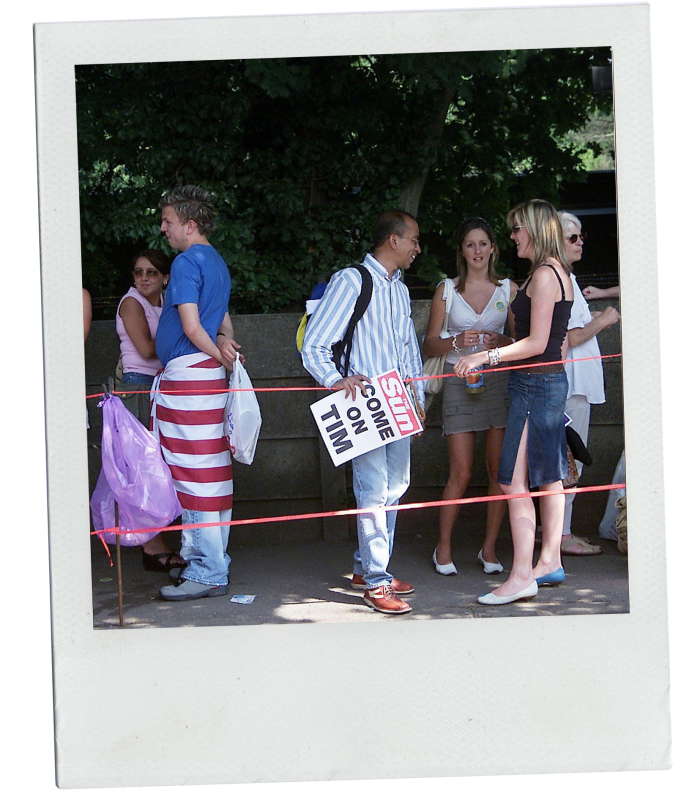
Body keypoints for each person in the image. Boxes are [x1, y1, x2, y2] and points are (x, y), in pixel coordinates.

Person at [302, 210, 425, 615]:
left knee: (396, 486)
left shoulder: (400, 288)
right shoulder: (351, 280)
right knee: (374, 490)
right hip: (366, 403)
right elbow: (316, 343)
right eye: (413, 241)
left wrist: (417, 396)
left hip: (396, 400)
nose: (417, 249)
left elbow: (408, 347)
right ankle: (376, 581)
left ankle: (369, 569)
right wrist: (335, 380)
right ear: (393, 240)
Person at [454, 199, 574, 605]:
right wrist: (504, 344)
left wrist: (484, 356)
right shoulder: (559, 272)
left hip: (535, 387)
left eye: (517, 229)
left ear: (536, 230)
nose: (513, 237)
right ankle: (548, 560)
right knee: (547, 478)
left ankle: (523, 575)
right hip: (545, 382)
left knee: (511, 478)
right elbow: (544, 341)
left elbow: (538, 343)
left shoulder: (543, 275)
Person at [151, 185, 242, 602]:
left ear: (189, 225)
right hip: (205, 377)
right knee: (210, 470)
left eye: (168, 222)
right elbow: (222, 322)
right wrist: (223, 349)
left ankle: (207, 569)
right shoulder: (218, 262)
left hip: (189, 378)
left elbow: (190, 326)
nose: (163, 228)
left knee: (193, 474)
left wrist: (217, 353)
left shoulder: (187, 261)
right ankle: (207, 559)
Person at [422, 217, 517, 577]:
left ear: (493, 247)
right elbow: (429, 343)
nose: (477, 251)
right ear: (461, 251)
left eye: (483, 244)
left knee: (497, 471)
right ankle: (442, 547)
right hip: (458, 379)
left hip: (497, 380)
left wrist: (501, 343)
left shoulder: (509, 288)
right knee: (460, 472)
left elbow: (521, 341)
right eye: (469, 244)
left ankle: (489, 549)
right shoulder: (446, 289)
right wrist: (456, 342)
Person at [115, 248, 186, 572]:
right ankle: (151, 546)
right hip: (138, 388)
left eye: (151, 273)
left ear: (165, 278)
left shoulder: (162, 304)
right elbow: (145, 350)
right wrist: (187, 338)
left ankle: (155, 543)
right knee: (142, 468)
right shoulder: (132, 303)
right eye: (138, 272)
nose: (143, 278)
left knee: (156, 467)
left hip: (156, 386)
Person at [558, 211, 620, 555]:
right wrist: (606, 320)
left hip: (577, 383)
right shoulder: (560, 279)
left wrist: (592, 319)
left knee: (567, 461)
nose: (580, 242)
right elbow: (569, 336)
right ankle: (562, 536)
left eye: (581, 236)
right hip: (572, 384)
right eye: (572, 237)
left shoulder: (566, 276)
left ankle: (556, 530)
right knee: (570, 462)